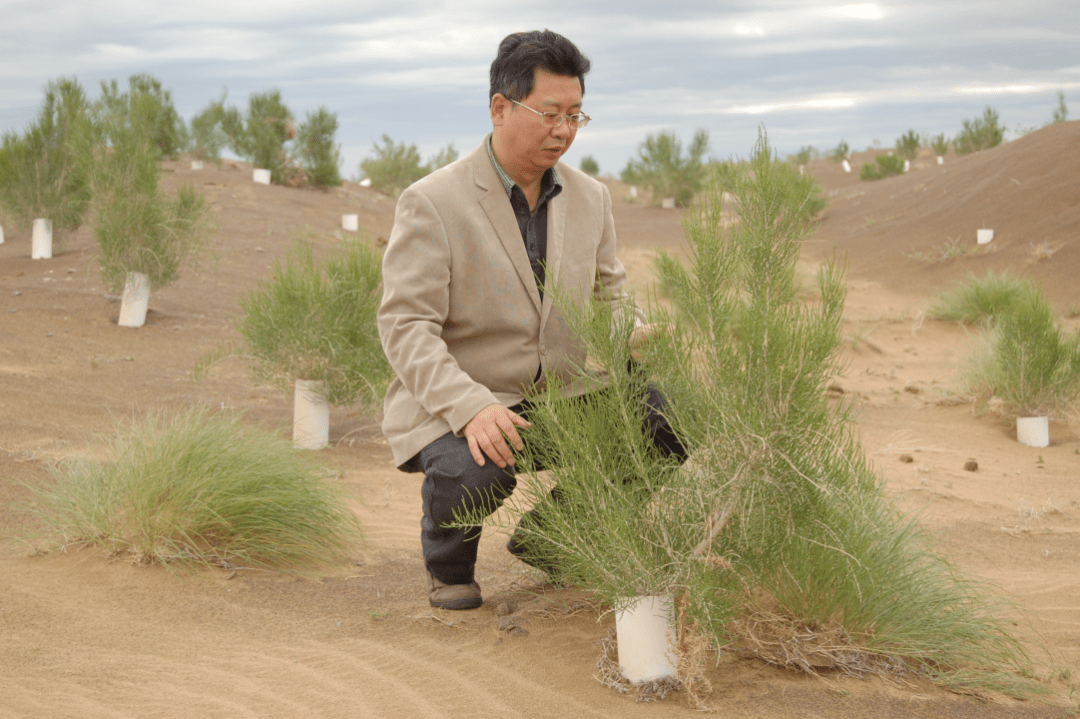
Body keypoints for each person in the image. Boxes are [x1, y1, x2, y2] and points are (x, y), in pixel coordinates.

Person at [377, 29, 685, 611]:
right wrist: (470, 407)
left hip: (561, 398)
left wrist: (634, 332)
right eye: (550, 114)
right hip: (464, 400)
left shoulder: (592, 197)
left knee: (671, 419)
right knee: (476, 471)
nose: (564, 131)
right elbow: (405, 325)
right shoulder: (432, 201)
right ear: (500, 107)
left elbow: (610, 295)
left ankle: (551, 538)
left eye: (576, 116)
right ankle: (449, 567)